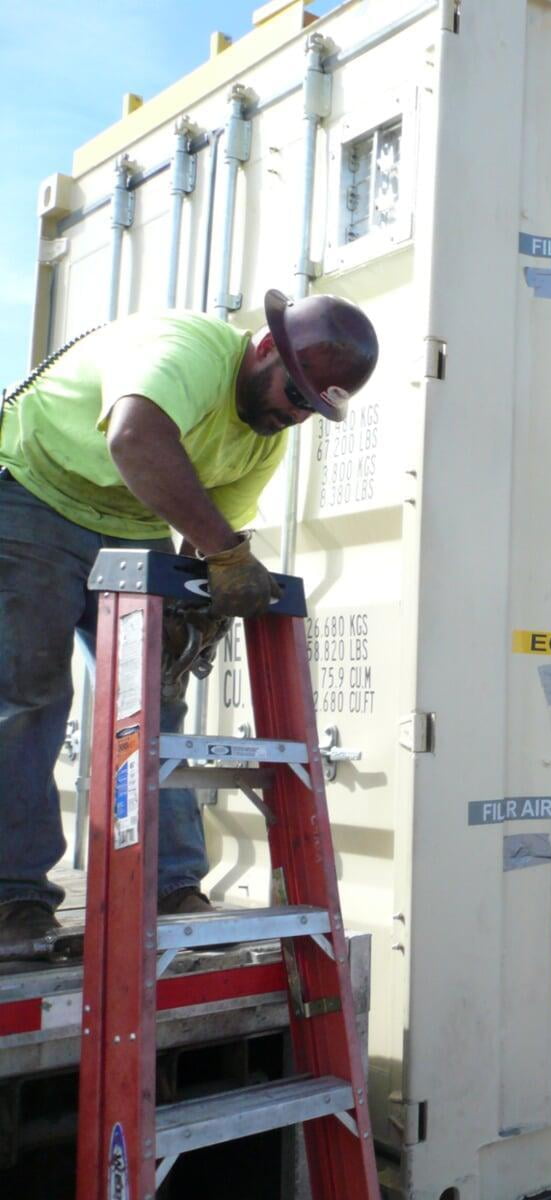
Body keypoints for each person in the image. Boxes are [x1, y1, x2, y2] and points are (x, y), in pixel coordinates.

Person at [0, 289, 379, 949]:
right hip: (36, 490)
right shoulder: (184, 350)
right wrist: (230, 553)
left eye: (313, 410)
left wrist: (195, 602)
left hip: (131, 520)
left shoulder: (262, 441)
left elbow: (202, 534)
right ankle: (14, 899)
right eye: (296, 396)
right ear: (266, 350)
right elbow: (135, 437)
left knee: (157, 704)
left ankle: (171, 886)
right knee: (28, 694)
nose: (297, 416)